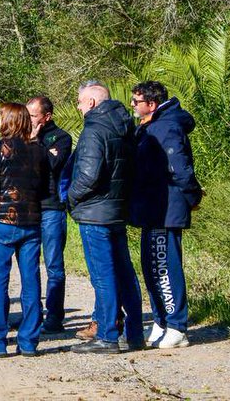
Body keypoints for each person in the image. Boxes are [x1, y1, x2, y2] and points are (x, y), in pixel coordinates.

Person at [68, 81, 145, 354]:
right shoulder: (126, 127)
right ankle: (135, 333)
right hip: (117, 210)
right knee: (124, 273)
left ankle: (108, 335)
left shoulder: (93, 129)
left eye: (79, 102)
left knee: (103, 276)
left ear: (90, 103)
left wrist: (70, 196)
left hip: (95, 212)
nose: (77, 107)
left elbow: (88, 175)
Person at [129, 80, 203, 349]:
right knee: (151, 267)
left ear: (152, 104)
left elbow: (180, 167)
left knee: (165, 267)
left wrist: (192, 196)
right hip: (150, 208)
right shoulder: (148, 127)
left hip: (166, 208)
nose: (132, 106)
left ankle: (177, 325)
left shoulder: (167, 126)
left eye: (136, 101)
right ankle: (161, 320)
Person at [0, 102, 49, 357]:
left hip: (1, 220)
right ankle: (29, 341)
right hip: (30, 221)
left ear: (7, 121)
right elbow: (43, 187)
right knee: (31, 281)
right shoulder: (39, 151)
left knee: (0, 282)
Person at [27, 96, 72, 334]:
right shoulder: (21, 136)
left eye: (33, 115)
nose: (29, 120)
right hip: (29, 208)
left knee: (53, 264)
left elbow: (51, 166)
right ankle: (32, 314)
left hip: (52, 208)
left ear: (47, 116)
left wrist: (36, 142)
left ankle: (54, 316)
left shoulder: (61, 138)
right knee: (29, 264)